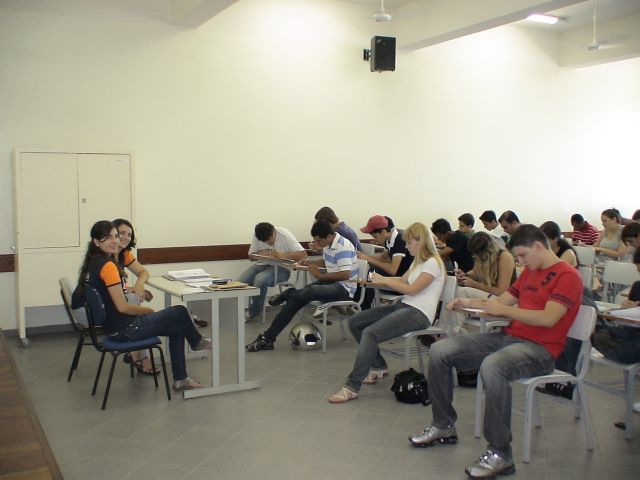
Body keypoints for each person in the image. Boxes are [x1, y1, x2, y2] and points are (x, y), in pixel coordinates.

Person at [409, 225, 582, 478]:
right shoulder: (531, 272)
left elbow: (548, 318)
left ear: (538, 246)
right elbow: (501, 302)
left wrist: (505, 311)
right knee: (440, 350)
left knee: (493, 366)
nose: (520, 262)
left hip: (541, 350)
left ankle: (501, 453)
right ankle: (443, 425)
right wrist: (468, 302)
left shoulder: (567, 275)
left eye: (522, 255)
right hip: (509, 338)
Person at [75, 221, 211, 391]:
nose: (115, 240)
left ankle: (181, 379)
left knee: (177, 329)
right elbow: (123, 307)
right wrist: (147, 310)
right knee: (180, 311)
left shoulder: (93, 263)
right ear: (96, 242)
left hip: (114, 329)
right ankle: (197, 341)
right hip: (126, 330)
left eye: (116, 236)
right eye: (108, 237)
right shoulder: (108, 266)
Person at [327, 223, 445, 403]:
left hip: (419, 314)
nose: (406, 247)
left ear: (421, 241)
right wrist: (377, 280)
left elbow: (412, 289)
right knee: (355, 323)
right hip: (405, 306)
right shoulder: (418, 261)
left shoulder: (433, 263)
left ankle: (351, 387)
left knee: (370, 333)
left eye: (409, 243)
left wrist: (384, 280)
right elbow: (402, 280)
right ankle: (378, 366)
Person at [245, 220, 358, 352]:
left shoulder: (342, 246)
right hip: (331, 283)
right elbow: (327, 261)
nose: (317, 243)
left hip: (344, 288)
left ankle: (288, 293)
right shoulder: (329, 243)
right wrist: (311, 263)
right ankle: (267, 339)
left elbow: (345, 274)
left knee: (309, 291)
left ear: (329, 236)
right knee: (295, 300)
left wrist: (319, 275)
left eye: (319, 241)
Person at [113, 218, 158, 375]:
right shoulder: (107, 257)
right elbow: (109, 289)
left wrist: (138, 285)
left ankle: (134, 352)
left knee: (135, 300)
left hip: (111, 300)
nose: (126, 237)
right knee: (137, 306)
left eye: (129, 234)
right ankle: (139, 355)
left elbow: (143, 272)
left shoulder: (123, 254)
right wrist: (133, 292)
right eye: (121, 233)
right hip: (99, 307)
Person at [237, 222, 307, 321]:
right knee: (240, 282)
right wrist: (259, 253)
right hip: (262, 264)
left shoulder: (285, 235)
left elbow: (303, 255)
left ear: (274, 231)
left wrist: (282, 255)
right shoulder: (257, 235)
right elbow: (251, 256)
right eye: (264, 242)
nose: (268, 243)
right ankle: (234, 312)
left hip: (282, 268)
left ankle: (253, 312)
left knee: (260, 280)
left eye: (269, 240)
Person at [451, 232, 516, 335]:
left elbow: (501, 291)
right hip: (492, 296)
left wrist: (474, 284)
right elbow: (475, 271)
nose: (476, 257)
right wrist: (465, 275)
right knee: (456, 289)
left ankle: (454, 329)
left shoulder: (505, 257)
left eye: (477, 255)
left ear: (486, 251)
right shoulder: (485, 257)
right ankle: (454, 327)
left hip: (505, 300)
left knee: (462, 291)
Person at [355, 215, 414, 310]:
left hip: (401, 281)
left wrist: (368, 259)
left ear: (383, 232)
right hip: (395, 277)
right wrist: (363, 256)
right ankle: (358, 304)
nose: (374, 239)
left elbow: (392, 270)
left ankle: (364, 308)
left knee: (369, 274)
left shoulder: (400, 241)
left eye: (375, 236)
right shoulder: (389, 239)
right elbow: (384, 257)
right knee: (365, 271)